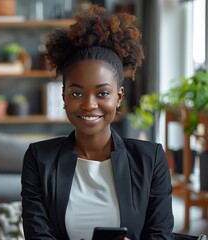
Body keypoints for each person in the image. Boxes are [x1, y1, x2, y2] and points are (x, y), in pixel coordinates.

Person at [21, 4, 174, 240]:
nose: (89, 105)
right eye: (76, 93)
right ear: (63, 97)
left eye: (102, 93)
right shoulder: (39, 159)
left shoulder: (150, 160)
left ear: (118, 97)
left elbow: (160, 236)